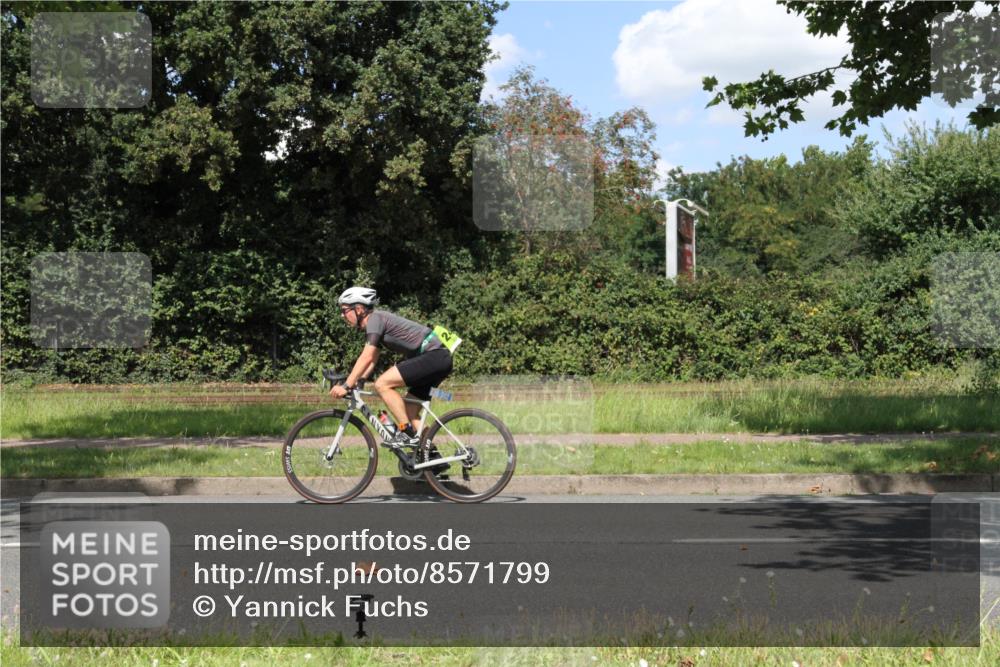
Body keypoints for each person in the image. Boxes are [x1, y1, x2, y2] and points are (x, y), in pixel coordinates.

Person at [329, 286, 454, 449]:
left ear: (359, 309)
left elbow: (366, 356)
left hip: (434, 355)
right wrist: (360, 380)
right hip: (437, 357)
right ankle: (432, 458)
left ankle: (405, 432)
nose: (342, 315)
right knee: (410, 410)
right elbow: (373, 358)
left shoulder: (375, 319)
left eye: (345, 310)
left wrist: (347, 385)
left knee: (382, 384)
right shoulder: (376, 324)